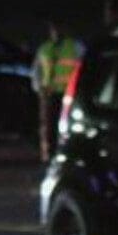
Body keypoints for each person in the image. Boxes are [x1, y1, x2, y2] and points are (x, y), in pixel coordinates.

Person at [31, 19, 81, 161]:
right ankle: (49, 156)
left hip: (68, 95)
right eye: (55, 29)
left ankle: (62, 155)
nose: (57, 32)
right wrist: (39, 88)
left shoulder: (75, 47)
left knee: (65, 127)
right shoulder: (45, 48)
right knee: (49, 127)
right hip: (51, 94)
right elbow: (37, 71)